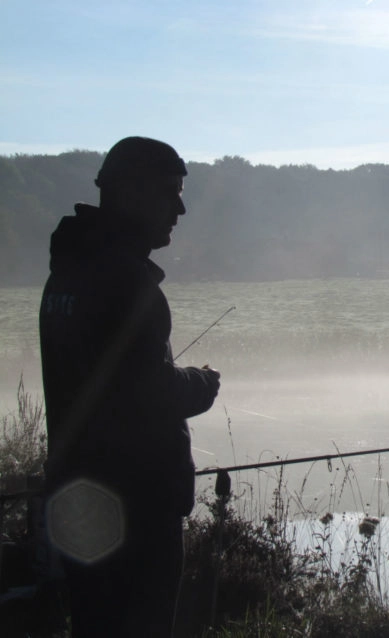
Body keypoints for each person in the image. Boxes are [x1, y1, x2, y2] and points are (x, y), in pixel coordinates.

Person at [39, 136, 221, 637]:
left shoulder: (67, 275)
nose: (180, 208)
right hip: (136, 511)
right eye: (171, 192)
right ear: (130, 192)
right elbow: (148, 394)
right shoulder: (127, 281)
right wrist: (201, 384)